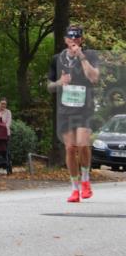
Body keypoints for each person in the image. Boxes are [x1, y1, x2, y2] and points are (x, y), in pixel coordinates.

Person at [47, 25, 100, 202]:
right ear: (65, 40)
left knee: (83, 145)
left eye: (77, 38)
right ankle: (74, 188)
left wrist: (82, 57)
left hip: (84, 109)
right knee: (70, 148)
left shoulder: (90, 55)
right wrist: (59, 82)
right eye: (70, 38)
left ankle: (86, 181)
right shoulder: (57, 59)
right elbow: (49, 86)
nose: (73, 41)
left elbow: (94, 78)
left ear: (81, 40)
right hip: (65, 110)